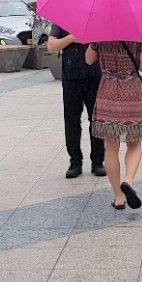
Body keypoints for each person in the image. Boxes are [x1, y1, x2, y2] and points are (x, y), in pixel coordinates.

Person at [85, 39, 142, 210]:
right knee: (134, 144)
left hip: (108, 92)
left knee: (111, 148)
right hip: (132, 93)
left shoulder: (99, 35)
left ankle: (119, 198)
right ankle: (128, 180)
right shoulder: (139, 36)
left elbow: (88, 59)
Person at [47, 23, 106, 179]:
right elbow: (51, 46)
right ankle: (75, 162)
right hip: (71, 76)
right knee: (72, 120)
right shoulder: (62, 19)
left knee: (97, 120)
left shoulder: (99, 18)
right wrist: (71, 38)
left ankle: (98, 161)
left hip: (96, 75)